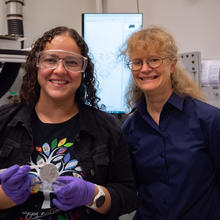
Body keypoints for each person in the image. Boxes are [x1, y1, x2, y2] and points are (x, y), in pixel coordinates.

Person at [0, 26, 137, 220]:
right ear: (36, 65)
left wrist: (92, 195)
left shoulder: (106, 128)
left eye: (72, 62)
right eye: (50, 60)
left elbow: (129, 195)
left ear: (83, 71)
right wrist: (5, 196)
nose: (60, 70)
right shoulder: (4, 121)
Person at [121, 26, 220, 220]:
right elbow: (128, 188)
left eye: (154, 60)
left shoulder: (208, 119)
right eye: (137, 62)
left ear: (172, 65)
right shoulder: (130, 129)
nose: (145, 69)